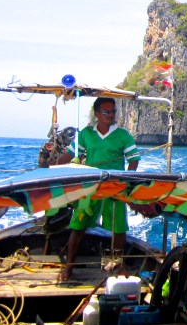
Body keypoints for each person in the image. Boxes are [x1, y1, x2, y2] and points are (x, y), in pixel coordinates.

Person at [56, 97, 139, 281]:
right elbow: (69, 155)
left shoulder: (123, 135)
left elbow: (134, 159)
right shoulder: (86, 134)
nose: (111, 115)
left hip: (115, 187)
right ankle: (68, 267)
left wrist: (125, 179)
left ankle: (117, 264)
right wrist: (53, 168)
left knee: (118, 228)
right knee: (78, 225)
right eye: (106, 112)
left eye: (113, 111)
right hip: (90, 187)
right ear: (97, 114)